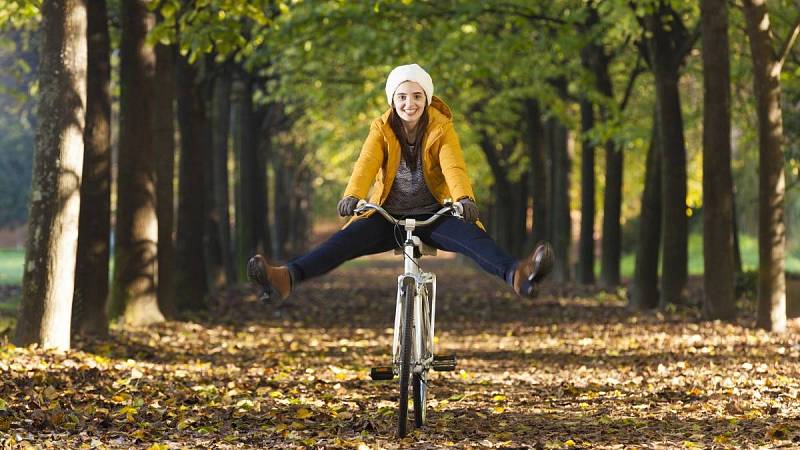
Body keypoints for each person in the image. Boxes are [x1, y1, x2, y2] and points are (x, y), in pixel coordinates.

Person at [247, 63, 554, 301]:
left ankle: (519, 275)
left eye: (417, 96)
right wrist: (353, 195)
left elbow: (454, 165)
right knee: (339, 245)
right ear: (392, 99)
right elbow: (365, 163)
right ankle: (285, 278)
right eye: (403, 96)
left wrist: (464, 200)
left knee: (475, 240)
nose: (410, 103)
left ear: (427, 98)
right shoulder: (381, 129)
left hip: (433, 215)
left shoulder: (442, 128)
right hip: (387, 216)